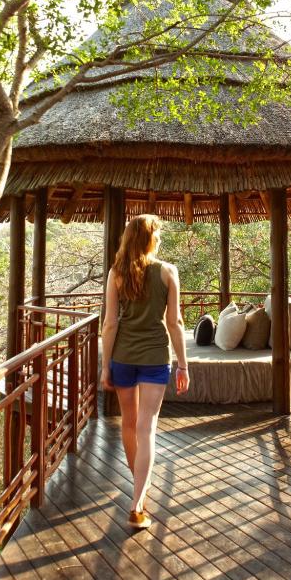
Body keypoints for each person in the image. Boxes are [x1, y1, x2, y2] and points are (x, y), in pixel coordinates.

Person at [100, 214, 190, 529]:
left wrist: (105, 365)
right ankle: (138, 502)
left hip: (123, 357)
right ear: (150, 239)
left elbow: (110, 324)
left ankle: (139, 482)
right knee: (146, 427)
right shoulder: (168, 272)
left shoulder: (116, 273)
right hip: (155, 357)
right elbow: (174, 323)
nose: (160, 240)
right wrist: (183, 364)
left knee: (129, 423)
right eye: (158, 236)